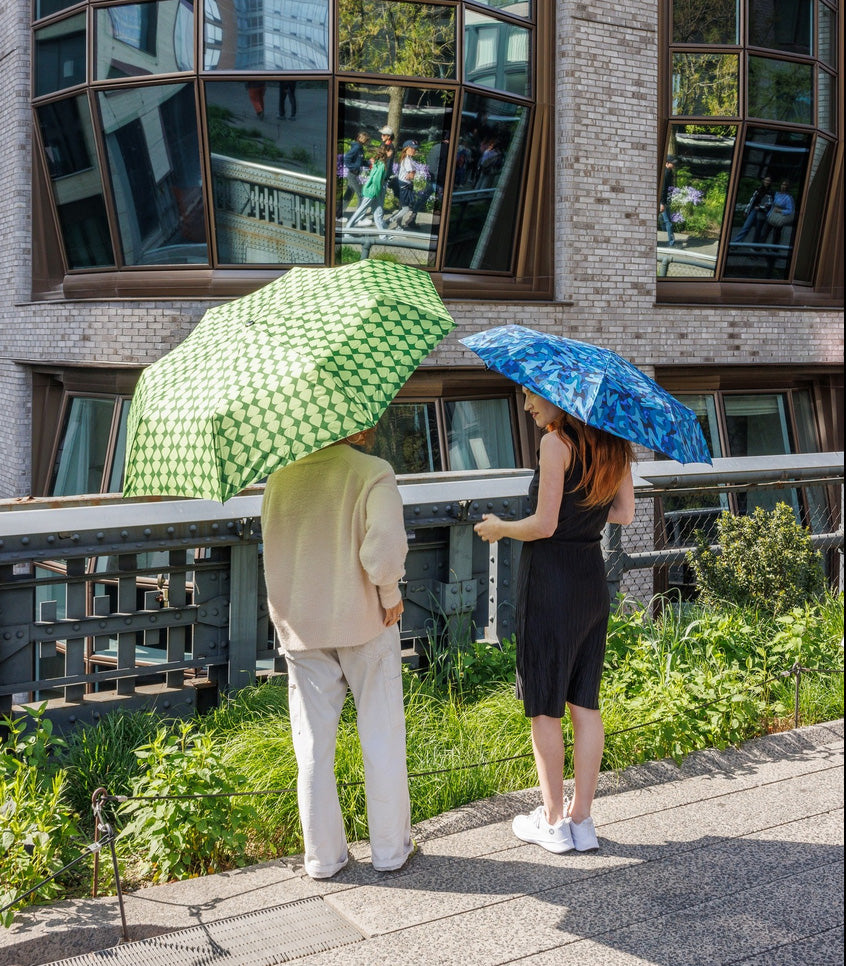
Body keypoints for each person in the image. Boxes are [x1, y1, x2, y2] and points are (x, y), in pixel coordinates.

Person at [474, 390, 635, 854]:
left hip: (549, 583)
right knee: (585, 703)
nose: (527, 406)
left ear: (561, 398)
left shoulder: (555, 444)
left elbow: (543, 525)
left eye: (531, 396)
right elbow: (623, 513)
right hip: (590, 582)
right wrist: (585, 511)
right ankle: (582, 821)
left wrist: (502, 527)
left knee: (545, 703)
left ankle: (552, 822)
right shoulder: (614, 446)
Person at [261, 430, 414, 879]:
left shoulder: (279, 480)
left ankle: (323, 859)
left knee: (312, 745)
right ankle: (389, 852)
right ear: (357, 426)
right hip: (366, 621)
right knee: (381, 736)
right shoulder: (372, 472)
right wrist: (389, 593)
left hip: (301, 627)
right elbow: (385, 545)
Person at [345, 146, 389, 230]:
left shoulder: (378, 163)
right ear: (386, 153)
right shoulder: (382, 165)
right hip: (372, 191)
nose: (391, 153)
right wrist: (377, 192)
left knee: (378, 212)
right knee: (361, 211)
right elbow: (376, 180)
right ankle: (348, 229)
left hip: (373, 191)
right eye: (390, 151)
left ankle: (383, 235)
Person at [387, 140, 419, 229]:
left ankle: (399, 227)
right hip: (405, 186)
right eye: (412, 148)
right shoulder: (407, 160)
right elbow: (410, 176)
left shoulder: (406, 159)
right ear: (406, 149)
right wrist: (413, 172)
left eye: (415, 149)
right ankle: (389, 221)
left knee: (402, 208)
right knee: (406, 208)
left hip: (403, 185)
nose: (414, 150)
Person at [337, 131, 369, 219]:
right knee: (361, 195)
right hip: (352, 175)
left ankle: (338, 215)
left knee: (348, 195)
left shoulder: (360, 148)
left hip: (353, 174)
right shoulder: (357, 148)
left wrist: (369, 163)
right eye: (366, 140)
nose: (368, 142)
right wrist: (353, 167)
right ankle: (358, 218)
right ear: (361, 140)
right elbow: (347, 158)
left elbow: (360, 161)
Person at [733, 175, 773, 243]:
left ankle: (755, 245)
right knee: (746, 227)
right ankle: (736, 242)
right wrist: (746, 211)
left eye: (768, 180)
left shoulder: (770, 192)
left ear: (770, 182)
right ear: (763, 181)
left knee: (758, 230)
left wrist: (760, 207)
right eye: (766, 180)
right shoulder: (758, 189)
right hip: (754, 210)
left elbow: (769, 203)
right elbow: (752, 201)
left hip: (762, 212)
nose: (767, 182)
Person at [762, 179, 795, 247]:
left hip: (779, 218)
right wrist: (769, 206)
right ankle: (757, 250)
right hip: (772, 216)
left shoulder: (788, 197)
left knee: (776, 237)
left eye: (785, 185)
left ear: (787, 187)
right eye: (782, 184)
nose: (783, 186)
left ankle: (774, 252)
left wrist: (780, 211)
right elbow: (773, 204)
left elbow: (790, 210)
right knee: (764, 234)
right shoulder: (777, 194)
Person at [658, 156, 676, 247]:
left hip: (666, 201)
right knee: (668, 221)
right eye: (672, 163)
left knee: (665, 221)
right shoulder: (665, 173)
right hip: (663, 201)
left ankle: (671, 241)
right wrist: (662, 203)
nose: (674, 165)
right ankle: (671, 242)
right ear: (667, 163)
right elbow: (663, 189)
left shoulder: (669, 172)